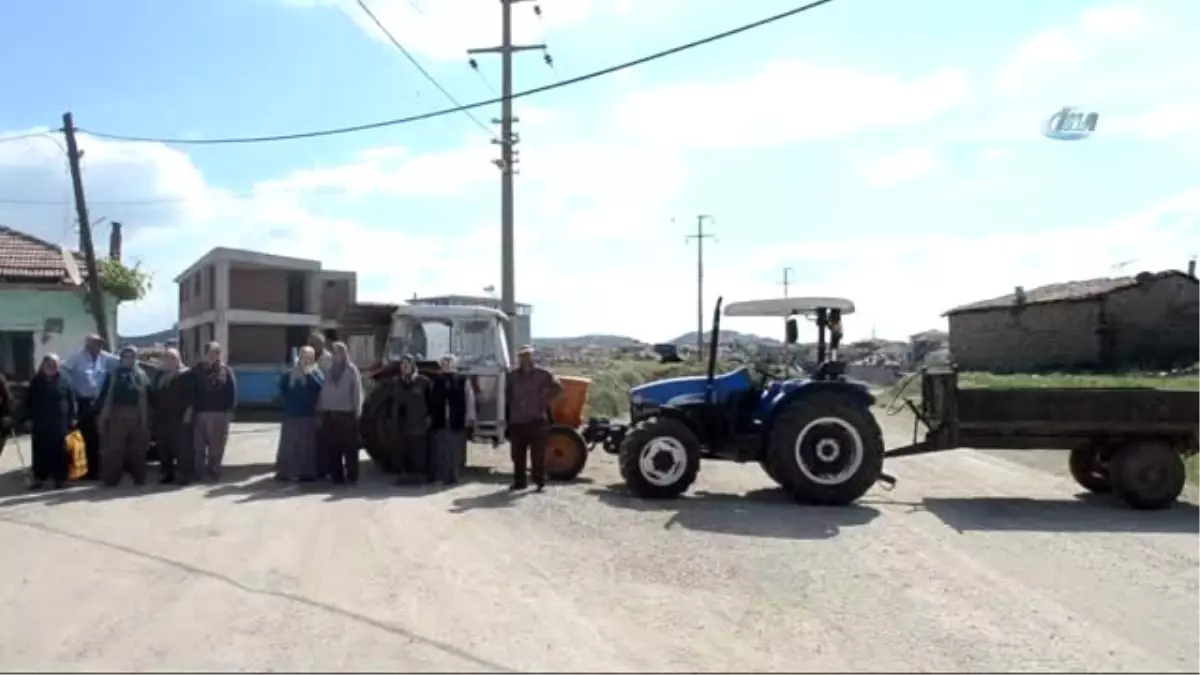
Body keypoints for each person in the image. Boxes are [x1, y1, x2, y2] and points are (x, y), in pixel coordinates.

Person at [60, 334, 119, 480]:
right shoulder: (77, 358)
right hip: (82, 402)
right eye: (94, 343)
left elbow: (123, 363)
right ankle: (83, 470)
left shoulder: (106, 358)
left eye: (100, 343)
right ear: (87, 344)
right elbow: (63, 370)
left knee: (99, 438)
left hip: (99, 403)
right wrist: (71, 388)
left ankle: (97, 470)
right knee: (84, 438)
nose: (97, 346)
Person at [505, 345, 563, 492]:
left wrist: (544, 400)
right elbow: (506, 394)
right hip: (517, 421)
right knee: (517, 455)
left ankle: (539, 482)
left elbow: (558, 388)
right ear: (518, 358)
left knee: (538, 455)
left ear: (532, 357)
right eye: (522, 356)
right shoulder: (512, 376)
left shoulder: (543, 374)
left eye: (527, 355)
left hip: (537, 421)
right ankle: (519, 482)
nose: (525, 358)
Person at [95, 346, 152, 487]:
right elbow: (104, 395)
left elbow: (150, 395)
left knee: (138, 448)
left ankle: (139, 478)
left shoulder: (142, 375)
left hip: (138, 414)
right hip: (116, 414)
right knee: (115, 448)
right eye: (126, 356)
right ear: (121, 359)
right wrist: (100, 414)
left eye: (131, 356)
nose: (129, 359)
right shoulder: (113, 375)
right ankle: (111, 479)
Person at [21, 354, 77, 490]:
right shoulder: (36, 381)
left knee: (60, 451)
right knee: (40, 451)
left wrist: (73, 416)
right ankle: (39, 479)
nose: (52, 367)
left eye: (55, 365)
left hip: (60, 421)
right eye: (49, 365)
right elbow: (28, 402)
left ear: (58, 366)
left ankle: (61, 480)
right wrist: (27, 418)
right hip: (40, 422)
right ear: (43, 365)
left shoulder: (65, 379)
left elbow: (71, 399)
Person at [317, 341, 363, 485]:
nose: (337, 354)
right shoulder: (328, 370)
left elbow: (357, 392)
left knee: (349, 448)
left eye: (340, 351)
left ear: (345, 353)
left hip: (346, 414)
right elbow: (322, 390)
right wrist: (321, 409)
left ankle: (352, 476)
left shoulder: (351, 369)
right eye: (335, 351)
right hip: (330, 413)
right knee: (333, 447)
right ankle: (337, 476)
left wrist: (357, 410)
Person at [275, 346, 324, 482]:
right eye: (304, 356)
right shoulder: (291, 371)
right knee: (288, 445)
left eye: (309, 357)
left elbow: (320, 387)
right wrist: (290, 377)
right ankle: (285, 471)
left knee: (307, 446)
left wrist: (307, 377)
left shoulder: (315, 372)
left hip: (308, 414)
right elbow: (281, 386)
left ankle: (307, 473)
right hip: (291, 413)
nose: (306, 360)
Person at [190, 341, 238, 482]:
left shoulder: (226, 370)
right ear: (204, 354)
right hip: (200, 413)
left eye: (216, 353)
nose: (213, 356)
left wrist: (230, 411)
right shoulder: (196, 370)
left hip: (219, 414)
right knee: (198, 445)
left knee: (216, 446)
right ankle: (199, 472)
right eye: (210, 353)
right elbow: (190, 391)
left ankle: (214, 470)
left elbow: (232, 392)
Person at [428, 354, 476, 485]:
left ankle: (454, 476)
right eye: (444, 363)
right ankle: (442, 476)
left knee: (456, 449)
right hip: (440, 420)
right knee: (441, 449)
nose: (447, 365)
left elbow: (469, 399)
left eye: (449, 363)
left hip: (457, 419)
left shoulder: (462, 379)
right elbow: (431, 400)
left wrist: (470, 417)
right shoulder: (436, 380)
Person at [151, 347, 193, 485]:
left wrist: (188, 413)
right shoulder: (160, 375)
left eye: (172, 358)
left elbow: (192, 397)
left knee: (182, 448)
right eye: (167, 358)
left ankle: (184, 475)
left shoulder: (186, 374)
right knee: (164, 447)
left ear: (178, 359)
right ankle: (168, 473)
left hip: (179, 417)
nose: (169, 361)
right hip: (162, 417)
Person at [389, 354, 432, 485]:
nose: (405, 366)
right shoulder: (396, 382)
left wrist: (428, 419)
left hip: (418, 423)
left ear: (413, 366)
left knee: (418, 452)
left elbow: (431, 402)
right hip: (401, 424)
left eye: (408, 364)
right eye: (403, 364)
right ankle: (404, 477)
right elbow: (392, 402)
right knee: (403, 451)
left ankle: (419, 477)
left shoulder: (423, 381)